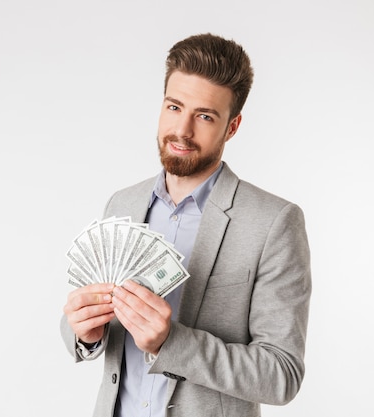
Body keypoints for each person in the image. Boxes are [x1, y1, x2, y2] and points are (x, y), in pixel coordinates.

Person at [60, 33, 312, 417]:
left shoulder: (274, 222)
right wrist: (83, 332)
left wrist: (170, 342)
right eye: (174, 107)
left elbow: (282, 374)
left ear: (232, 127)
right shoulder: (123, 203)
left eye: (205, 116)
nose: (183, 130)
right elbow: (99, 331)